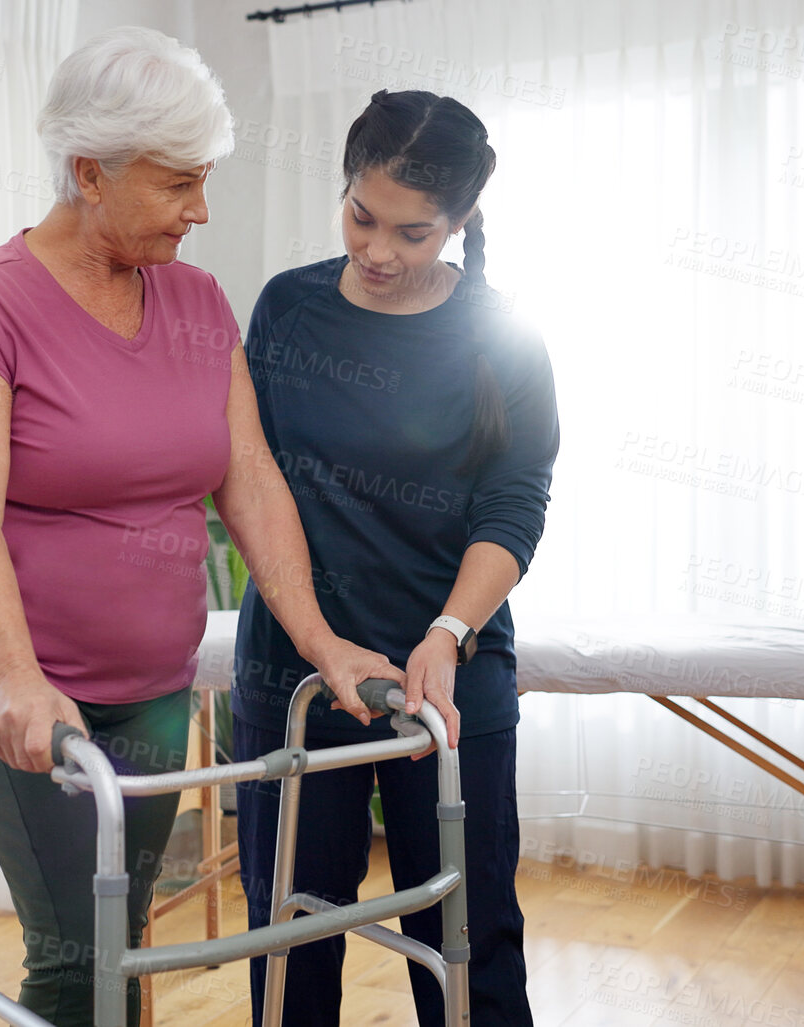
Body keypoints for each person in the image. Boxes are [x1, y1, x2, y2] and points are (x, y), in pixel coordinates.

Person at [0, 29, 401, 1027]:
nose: (201, 208)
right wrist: (12, 671)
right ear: (91, 172)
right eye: (179, 182)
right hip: (20, 684)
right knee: (75, 954)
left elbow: (252, 483)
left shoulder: (196, 299)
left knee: (122, 933)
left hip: (150, 687)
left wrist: (323, 643)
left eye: (206, 179)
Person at [230, 89, 560, 1027]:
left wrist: (449, 632)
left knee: (471, 931)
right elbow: (251, 480)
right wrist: (315, 635)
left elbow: (515, 501)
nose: (377, 251)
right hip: (293, 671)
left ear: (459, 224)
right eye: (360, 216)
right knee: (290, 934)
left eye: (413, 235)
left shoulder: (504, 337)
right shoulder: (286, 309)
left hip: (447, 679)